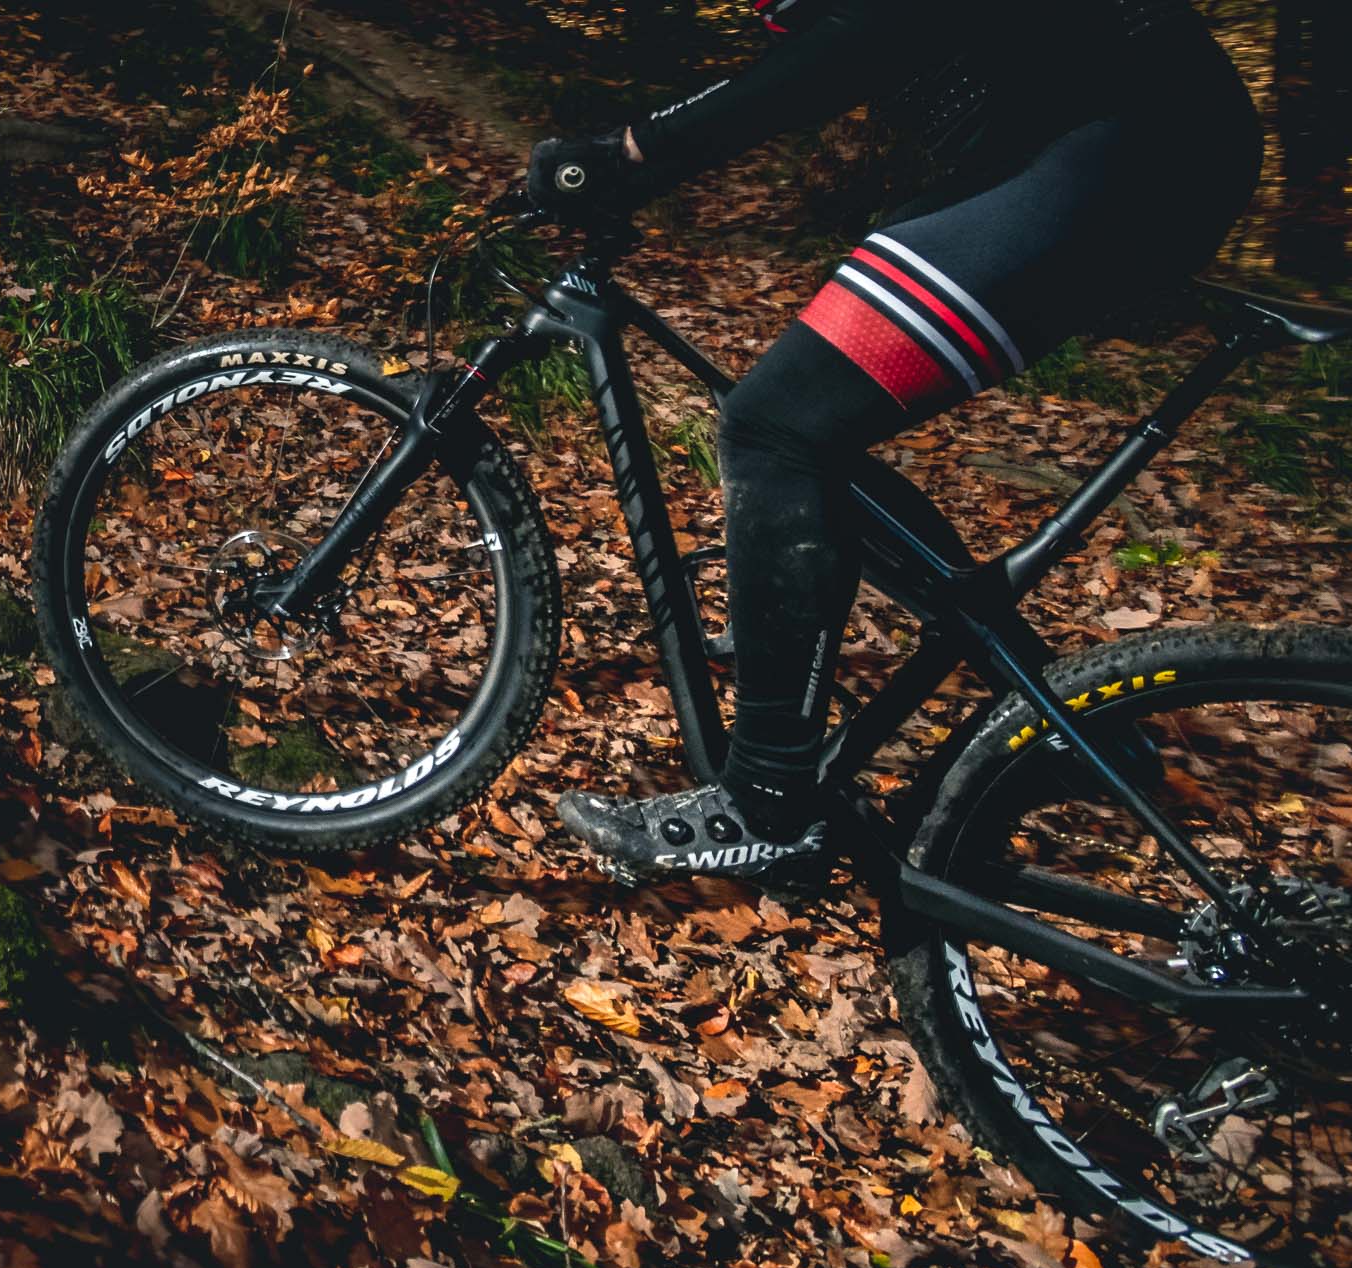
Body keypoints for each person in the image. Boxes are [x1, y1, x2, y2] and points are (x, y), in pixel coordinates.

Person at [540, 0, 1262, 880]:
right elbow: (826, 51)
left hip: (1133, 143)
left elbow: (864, 39)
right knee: (817, 422)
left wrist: (634, 151)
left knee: (777, 426)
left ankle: (767, 803)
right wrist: (644, 158)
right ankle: (1071, 724)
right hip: (1083, 137)